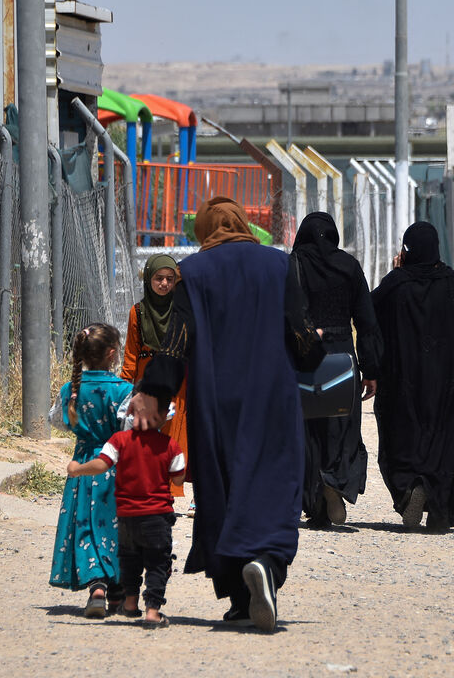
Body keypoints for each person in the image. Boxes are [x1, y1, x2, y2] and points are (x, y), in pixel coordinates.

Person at [128, 197, 324, 633]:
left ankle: (239, 598)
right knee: (276, 480)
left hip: (216, 403)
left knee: (225, 487)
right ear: (242, 225)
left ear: (205, 231)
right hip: (272, 398)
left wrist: (152, 393)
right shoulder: (279, 265)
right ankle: (267, 565)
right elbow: (302, 338)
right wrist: (317, 344)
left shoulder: (192, 273)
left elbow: (174, 346)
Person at [372, 222, 454, 533]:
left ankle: (409, 488)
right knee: (446, 443)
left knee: (402, 439)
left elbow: (368, 313)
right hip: (449, 387)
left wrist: (395, 274)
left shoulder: (396, 285)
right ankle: (439, 507)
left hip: (403, 384)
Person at [291, 212, 381, 529]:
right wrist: (370, 369)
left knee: (309, 430)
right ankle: (335, 480)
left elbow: (291, 312)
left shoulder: (296, 264)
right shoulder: (349, 266)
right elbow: (367, 322)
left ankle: (316, 502)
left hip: (307, 355)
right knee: (342, 427)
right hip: (344, 354)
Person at [49, 324, 133, 619]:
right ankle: (118, 591)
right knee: (114, 527)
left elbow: (58, 421)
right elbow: (129, 426)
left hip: (82, 466)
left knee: (85, 525)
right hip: (115, 466)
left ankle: (96, 587)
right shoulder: (124, 390)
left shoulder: (69, 389)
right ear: (112, 354)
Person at [66, 426, 186, 629]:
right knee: (157, 564)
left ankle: (128, 603)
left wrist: (77, 470)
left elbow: (103, 464)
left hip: (126, 514)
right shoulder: (169, 445)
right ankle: (152, 612)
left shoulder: (120, 439)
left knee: (130, 560)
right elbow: (178, 478)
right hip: (157, 516)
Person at [121, 254, 190, 509]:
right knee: (147, 433)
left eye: (170, 279)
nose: (164, 284)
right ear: (148, 279)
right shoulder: (137, 312)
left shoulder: (182, 310)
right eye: (158, 278)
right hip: (147, 378)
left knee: (175, 434)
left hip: (175, 380)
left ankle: (170, 490)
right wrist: (126, 385)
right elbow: (131, 351)